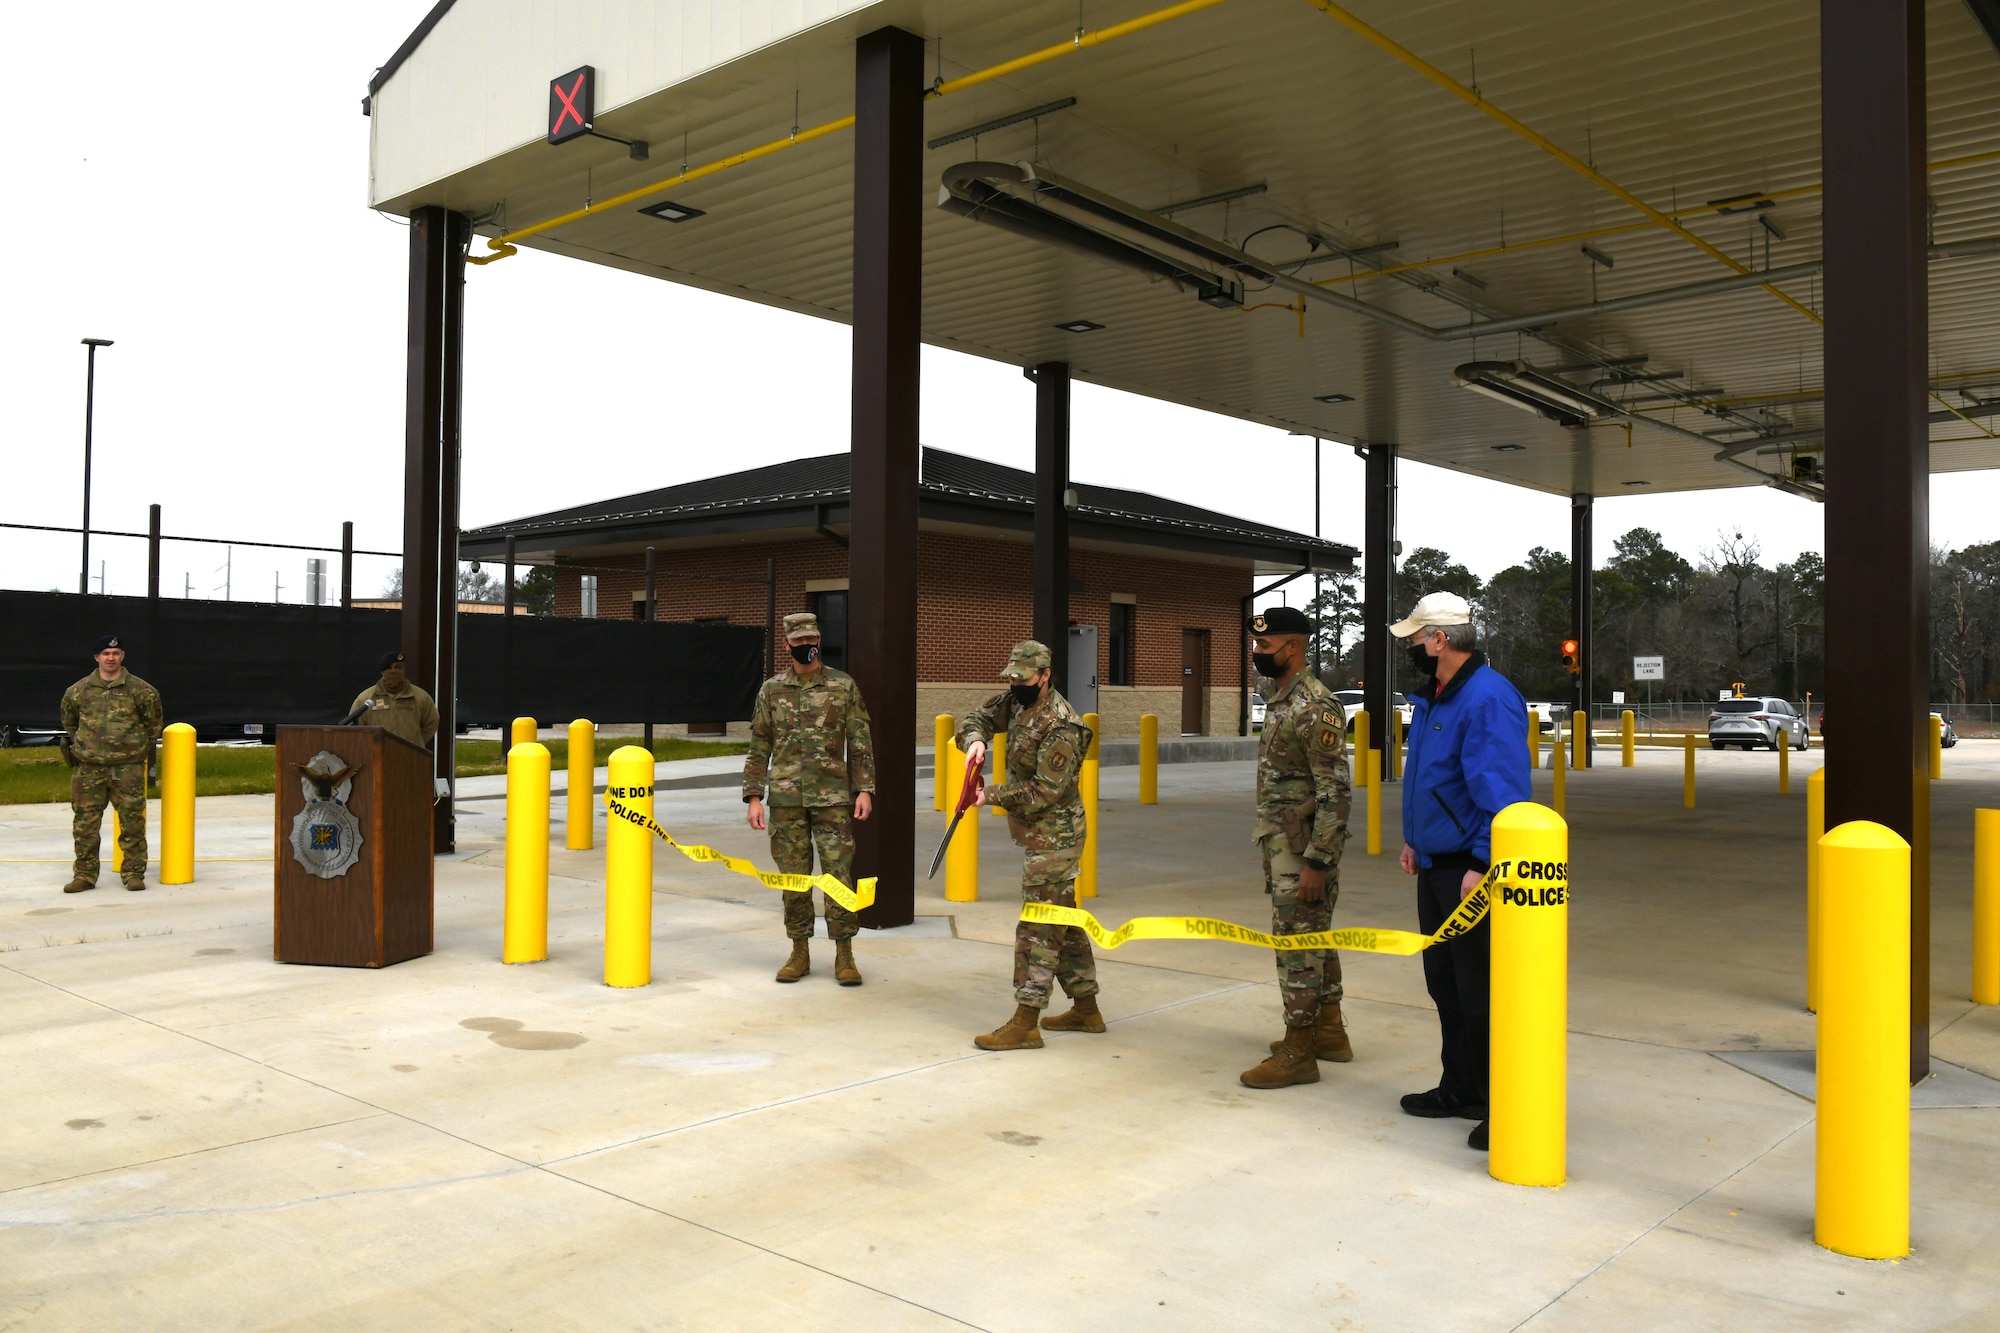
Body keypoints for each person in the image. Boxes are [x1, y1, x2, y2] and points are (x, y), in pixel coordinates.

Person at [1393, 591, 1532, 1153]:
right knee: (1446, 984)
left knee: (1481, 991)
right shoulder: (1440, 698)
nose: (1413, 649)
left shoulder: (1486, 699)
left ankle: (1506, 1101)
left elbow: (1503, 794)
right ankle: (1462, 1088)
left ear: (1440, 640)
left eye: (1417, 639)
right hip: (1436, 864)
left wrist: (1482, 861)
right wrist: (1416, 841)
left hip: (1470, 872)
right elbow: (1437, 778)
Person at [959, 640, 1101, 1051]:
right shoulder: (1019, 702)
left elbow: (1043, 791)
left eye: (1025, 678)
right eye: (1013, 678)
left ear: (1045, 676)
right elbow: (979, 715)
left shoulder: (1063, 725)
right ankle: (1086, 1008)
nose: (1016, 685)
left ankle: (1026, 1020)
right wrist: (976, 741)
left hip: (1056, 835)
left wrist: (990, 795)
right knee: (1063, 921)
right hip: (1038, 834)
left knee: (1037, 926)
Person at [1240, 606, 1354, 1089]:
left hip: (1303, 847)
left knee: (1296, 945)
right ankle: (1328, 1032)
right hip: (1282, 837)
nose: (1256, 653)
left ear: (1294, 647)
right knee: (1314, 935)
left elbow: (1335, 792)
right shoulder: (1280, 696)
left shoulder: (1314, 706)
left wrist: (1317, 863)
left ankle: (1299, 1049)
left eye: (1265, 647)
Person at [743, 612, 876, 985]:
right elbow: (759, 745)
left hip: (832, 797)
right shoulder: (771, 690)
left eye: (811, 640)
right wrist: (754, 796)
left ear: (818, 640)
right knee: (794, 879)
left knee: (838, 876)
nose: (806, 647)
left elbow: (860, 741)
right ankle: (799, 950)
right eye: (799, 642)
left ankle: (844, 954)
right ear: (786, 645)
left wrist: (864, 788)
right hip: (786, 800)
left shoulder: (842, 685)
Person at [60, 635, 163, 894]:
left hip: (127, 768)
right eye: (105, 653)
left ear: (122, 656)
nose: (110, 658)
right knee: (85, 824)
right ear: (96, 657)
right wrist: (88, 748)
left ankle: (133, 873)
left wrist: (133, 750)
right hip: (88, 769)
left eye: (115, 653)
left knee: (132, 822)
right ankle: (84, 874)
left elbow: (153, 726)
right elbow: (70, 723)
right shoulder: (78, 691)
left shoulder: (142, 691)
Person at [348, 651, 440, 749]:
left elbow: (432, 721)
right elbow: (354, 727)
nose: (394, 672)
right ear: (383, 672)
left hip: (411, 755)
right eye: (390, 668)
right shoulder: (366, 698)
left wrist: (416, 742)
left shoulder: (420, 696)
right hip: (377, 755)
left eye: (398, 668)